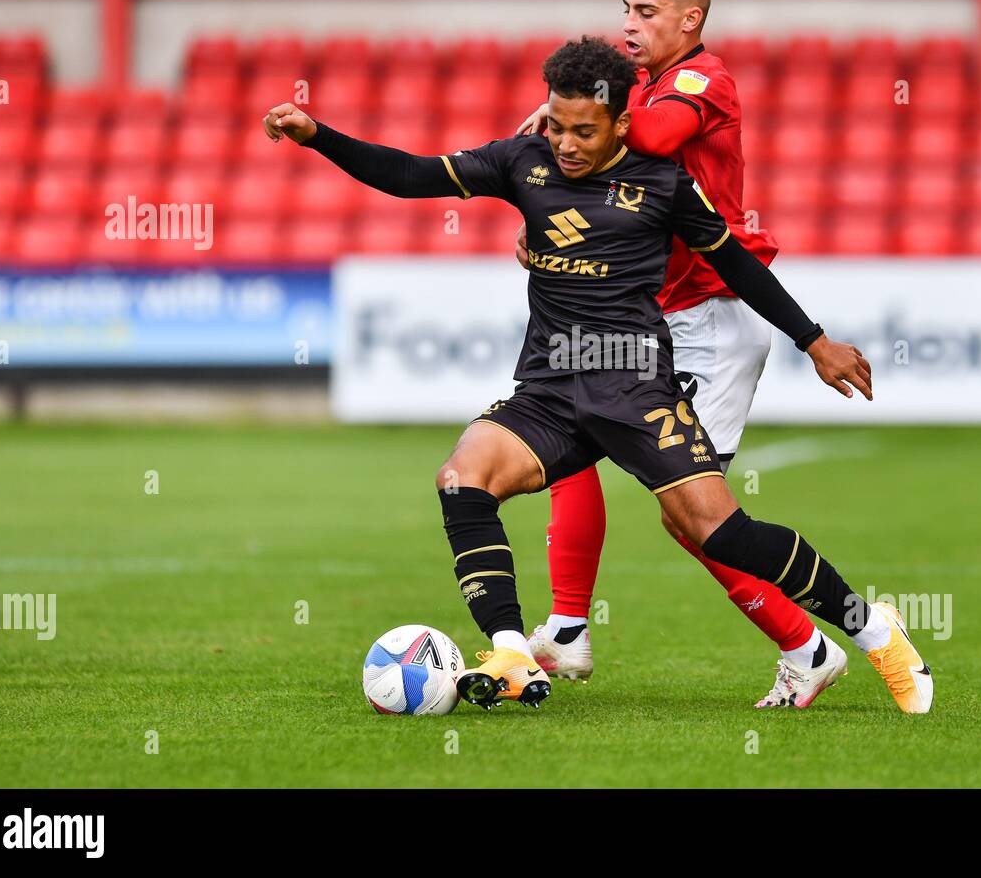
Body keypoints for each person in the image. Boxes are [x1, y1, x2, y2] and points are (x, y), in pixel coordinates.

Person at [262, 36, 932, 715]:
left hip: (635, 389)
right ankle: (511, 648)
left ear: (621, 124)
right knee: (462, 479)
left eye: (586, 130)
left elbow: (739, 267)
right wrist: (319, 136)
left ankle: (875, 630)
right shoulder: (520, 161)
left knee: (718, 532)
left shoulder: (665, 184)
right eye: (557, 125)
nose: (567, 143)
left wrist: (813, 341)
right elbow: (409, 176)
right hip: (550, 390)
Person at [514, 0, 841, 708]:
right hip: (648, 317)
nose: (628, 24)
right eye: (625, 8)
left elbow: (652, 142)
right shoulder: (639, 89)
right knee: (568, 444)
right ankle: (567, 628)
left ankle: (812, 643)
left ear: (690, 18)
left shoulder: (701, 80)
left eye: (646, 12)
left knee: (694, 518)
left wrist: (572, 125)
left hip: (709, 317)